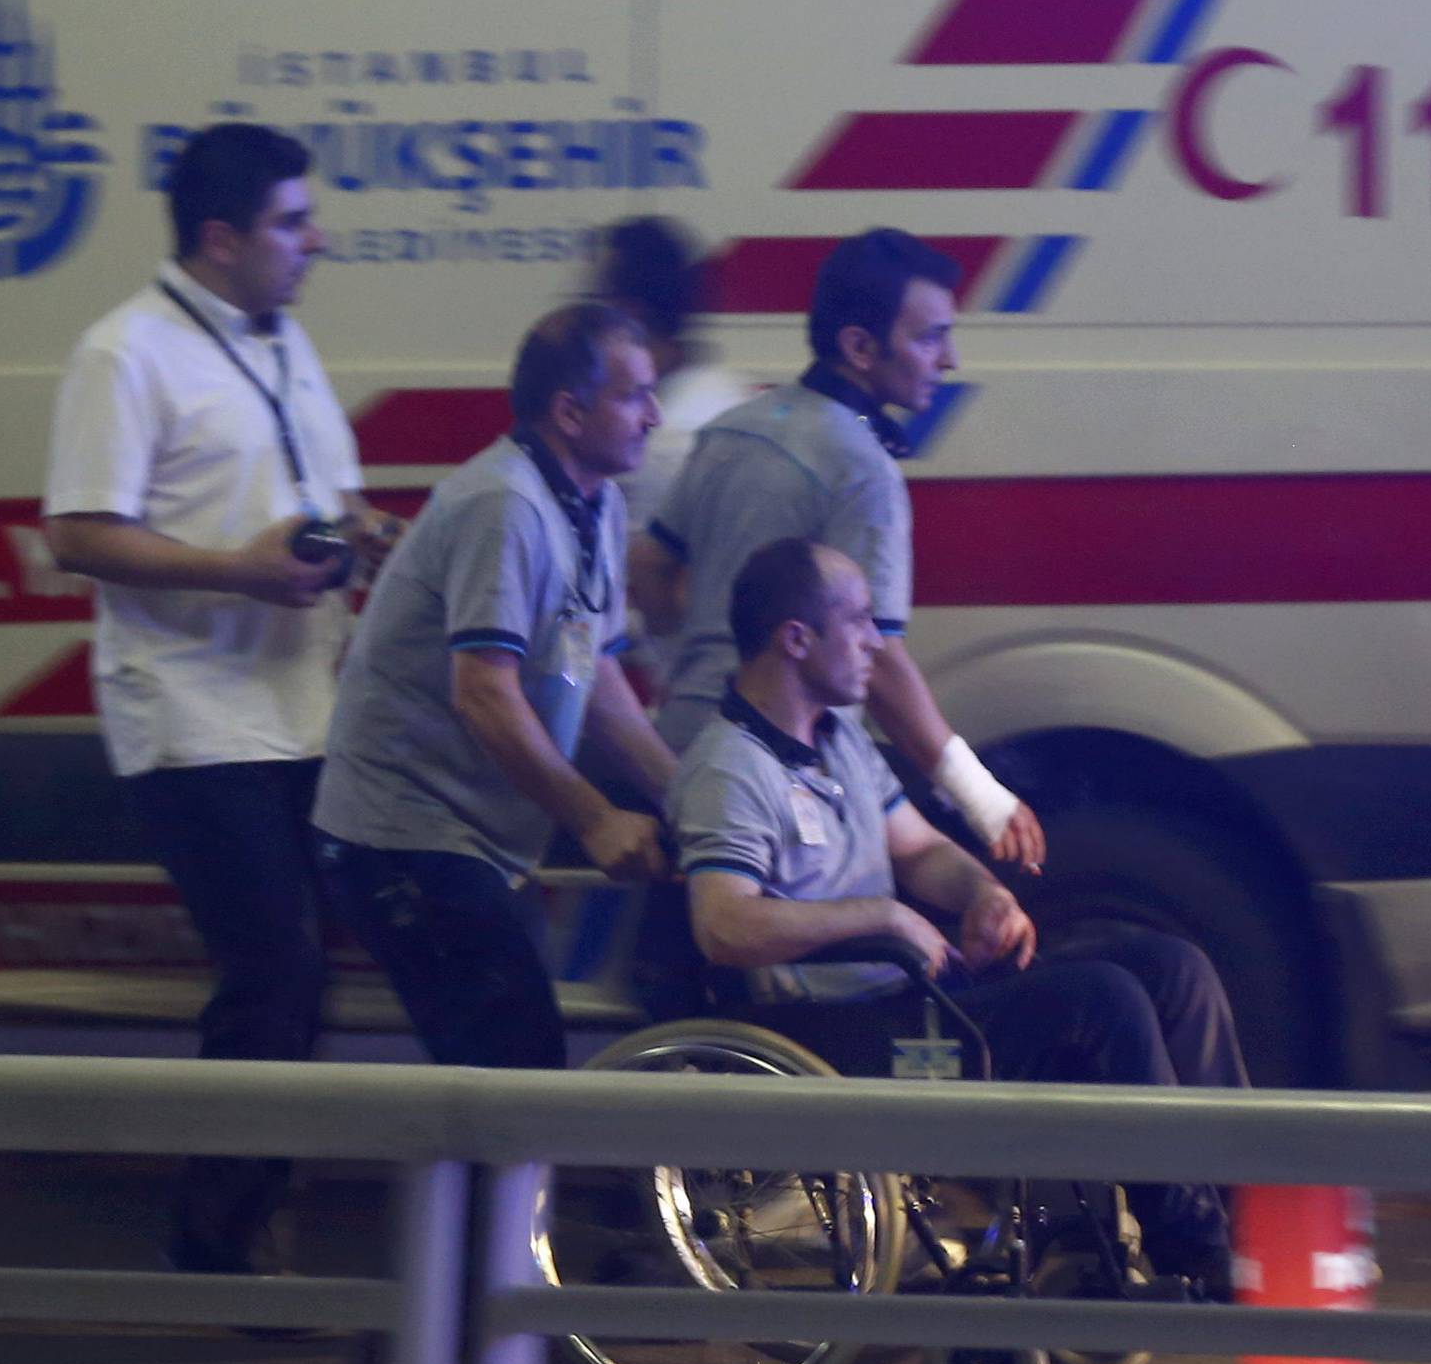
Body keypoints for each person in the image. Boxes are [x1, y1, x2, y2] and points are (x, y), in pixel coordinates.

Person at [668, 537, 1249, 1295]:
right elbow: (723, 925)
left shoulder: (837, 742)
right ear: (796, 639)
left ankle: (1250, 1211)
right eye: (859, 621)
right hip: (840, 1034)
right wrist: (880, 916)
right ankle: (1194, 1250)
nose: (877, 642)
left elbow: (919, 853)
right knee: (1100, 1003)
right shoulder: (729, 768)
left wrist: (983, 895)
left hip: (908, 997)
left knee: (1173, 969)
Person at [44, 120, 398, 1277]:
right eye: (294, 223)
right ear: (219, 237)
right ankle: (217, 1232)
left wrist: (371, 535)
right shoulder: (125, 352)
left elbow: (319, 495)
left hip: (299, 706)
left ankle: (252, 1210)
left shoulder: (283, 340)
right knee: (275, 969)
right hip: (193, 716)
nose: (317, 241)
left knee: (304, 975)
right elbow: (79, 533)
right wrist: (235, 571)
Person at [314, 301, 677, 1070]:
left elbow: (597, 670)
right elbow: (484, 693)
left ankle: (473, 1191)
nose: (654, 414)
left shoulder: (597, 502)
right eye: (635, 395)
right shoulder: (504, 504)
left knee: (508, 1070)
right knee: (514, 1070)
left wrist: (685, 793)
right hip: (405, 835)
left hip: (471, 840)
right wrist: (595, 818)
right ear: (570, 413)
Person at [632, 226, 1043, 872]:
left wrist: (708, 640)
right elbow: (877, 661)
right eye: (930, 336)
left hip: (686, 749)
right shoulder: (863, 471)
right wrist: (979, 795)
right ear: (858, 346)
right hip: (786, 775)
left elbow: (651, 574)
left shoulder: (730, 429)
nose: (949, 359)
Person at [595, 215, 755, 691]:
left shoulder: (661, 442)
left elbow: (664, 603)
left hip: (707, 694)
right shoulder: (734, 399)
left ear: (630, 315)